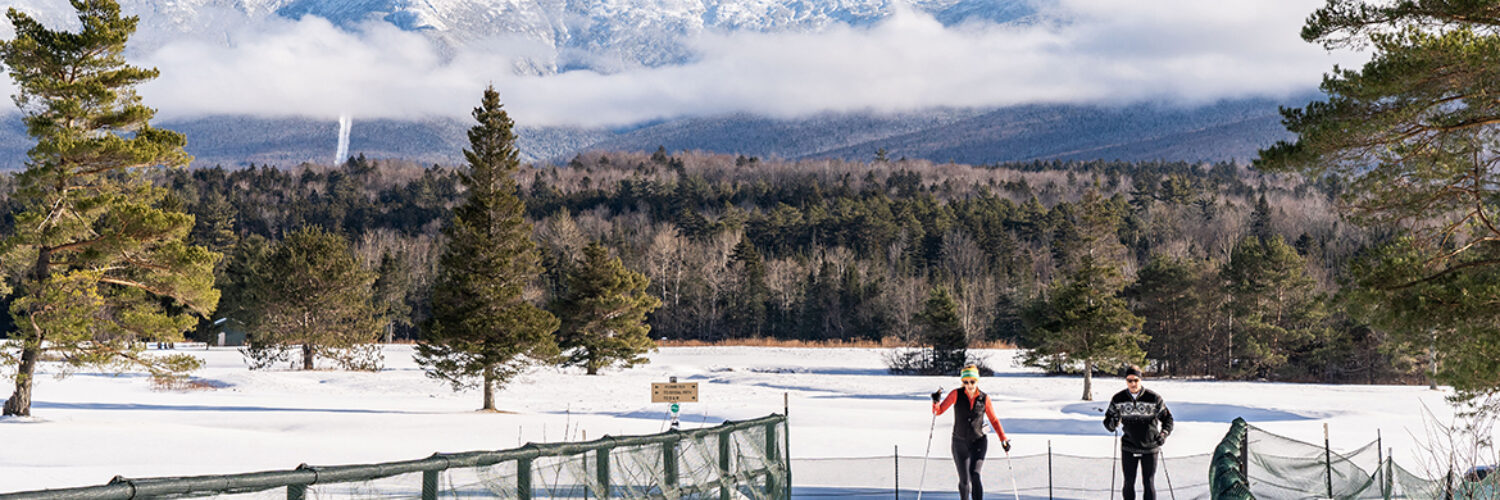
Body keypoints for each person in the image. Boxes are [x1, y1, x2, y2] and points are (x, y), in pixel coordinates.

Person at [931, 365, 1010, 500]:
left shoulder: (984, 398)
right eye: (966, 382)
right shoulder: (956, 394)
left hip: (978, 441)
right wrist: (936, 402)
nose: (969, 385)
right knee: (964, 481)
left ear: (977, 381)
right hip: (959, 443)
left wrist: (1003, 439)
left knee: (975, 475)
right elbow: (938, 411)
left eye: (972, 382)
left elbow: (994, 420)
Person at [1103, 365, 1174, 500]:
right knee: (1128, 482)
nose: (1133, 384)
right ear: (1126, 381)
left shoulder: (1153, 398)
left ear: (1141, 380)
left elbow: (1168, 419)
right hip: (1129, 446)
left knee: (1148, 482)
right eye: (1129, 381)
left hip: (1150, 446)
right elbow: (1108, 421)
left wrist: (1163, 434)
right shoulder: (1118, 399)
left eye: (1136, 380)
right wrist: (1111, 423)